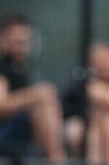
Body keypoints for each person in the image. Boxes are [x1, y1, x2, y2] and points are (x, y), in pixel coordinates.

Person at [0, 14, 66, 163]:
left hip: (29, 132)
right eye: (16, 40)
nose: (21, 44)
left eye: (24, 40)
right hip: (7, 131)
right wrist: (35, 95)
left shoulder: (26, 70)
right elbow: (1, 105)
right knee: (44, 107)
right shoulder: (3, 68)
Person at [63, 41, 109, 164]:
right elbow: (94, 93)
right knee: (99, 127)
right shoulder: (86, 82)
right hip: (87, 129)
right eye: (105, 63)